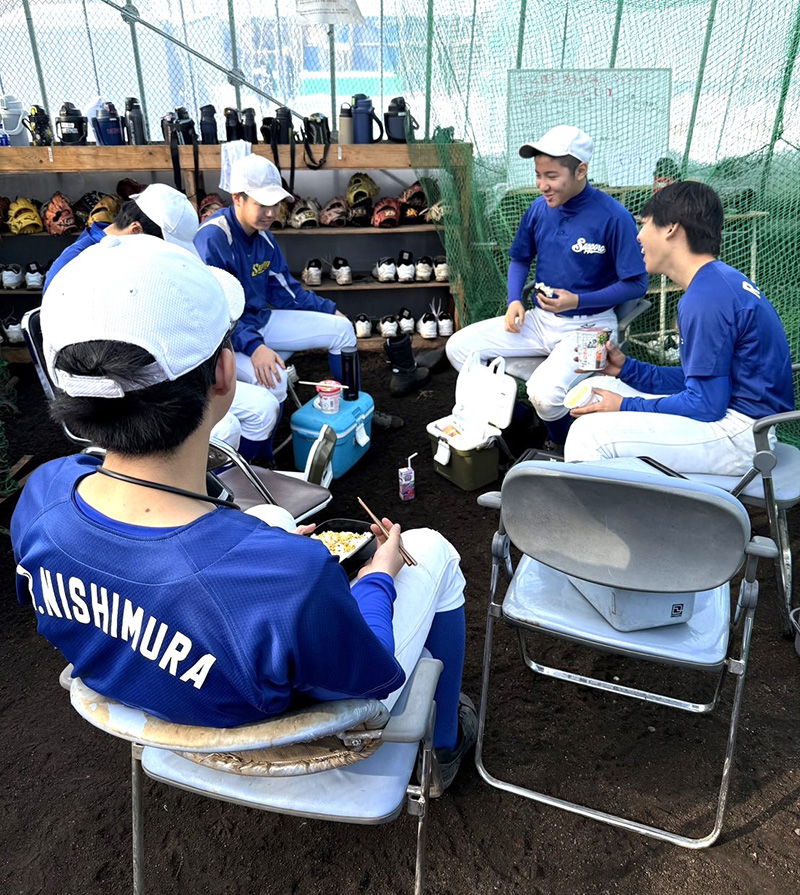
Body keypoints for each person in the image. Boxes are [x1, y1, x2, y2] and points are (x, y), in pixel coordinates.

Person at [12, 235, 476, 789]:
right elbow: (367, 677)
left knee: (274, 523)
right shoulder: (291, 576)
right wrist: (378, 576)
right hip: (277, 727)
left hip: (146, 706)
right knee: (434, 551)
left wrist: (268, 547)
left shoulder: (41, 498)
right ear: (224, 375)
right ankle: (446, 744)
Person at [565, 181, 794, 474]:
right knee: (600, 387)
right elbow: (699, 382)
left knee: (590, 435)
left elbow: (705, 405)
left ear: (671, 228)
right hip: (739, 418)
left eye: (644, 224)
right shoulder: (716, 282)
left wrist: (624, 405)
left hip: (742, 436)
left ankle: (599, 519)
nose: (638, 236)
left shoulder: (706, 298)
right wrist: (627, 370)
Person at [445, 125, 647, 449]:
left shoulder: (614, 217)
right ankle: (522, 418)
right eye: (538, 175)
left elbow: (637, 283)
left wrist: (578, 301)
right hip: (540, 321)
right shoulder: (539, 209)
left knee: (545, 392)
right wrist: (514, 301)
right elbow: (520, 258)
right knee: (459, 349)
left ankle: (564, 447)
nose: (542, 185)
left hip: (593, 327)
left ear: (581, 170)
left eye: (551, 176)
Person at [42, 183, 278, 459]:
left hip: (167, 374)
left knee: (263, 406)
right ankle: (205, 493)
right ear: (136, 231)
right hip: (131, 396)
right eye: (167, 247)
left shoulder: (128, 251)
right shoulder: (76, 269)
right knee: (226, 428)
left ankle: (240, 483)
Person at [194, 154, 357, 401]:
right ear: (238, 198)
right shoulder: (213, 238)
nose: (271, 213)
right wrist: (255, 347)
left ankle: (351, 408)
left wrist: (329, 309)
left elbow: (286, 292)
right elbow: (215, 313)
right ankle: (275, 432)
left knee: (343, 330)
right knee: (276, 381)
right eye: (262, 204)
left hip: (259, 321)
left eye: (277, 204)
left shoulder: (265, 237)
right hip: (225, 341)